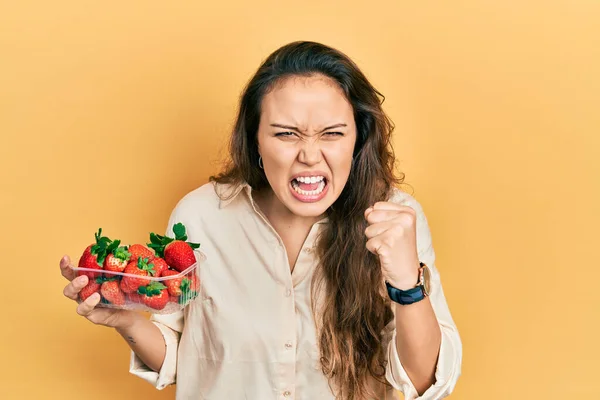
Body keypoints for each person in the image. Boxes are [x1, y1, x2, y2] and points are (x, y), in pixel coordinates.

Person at [60, 41, 462, 400]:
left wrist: (407, 284)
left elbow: (424, 382)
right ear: (254, 139)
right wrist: (123, 320)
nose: (309, 154)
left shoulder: (396, 220)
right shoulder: (200, 216)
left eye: (332, 134)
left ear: (358, 140)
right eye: (287, 134)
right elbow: (189, 361)